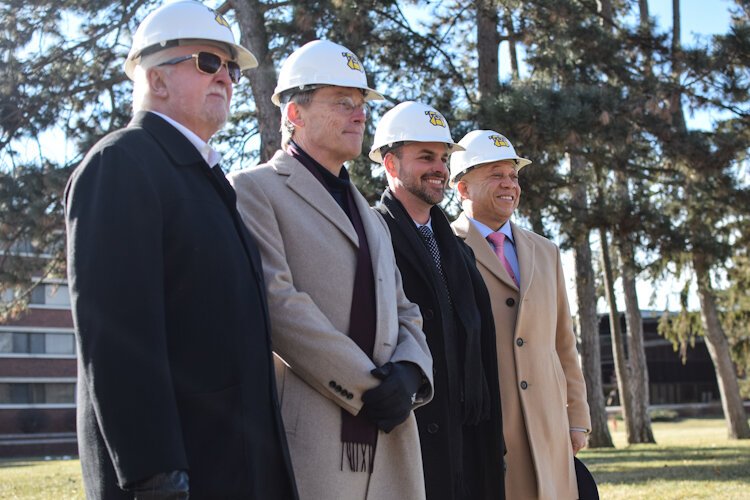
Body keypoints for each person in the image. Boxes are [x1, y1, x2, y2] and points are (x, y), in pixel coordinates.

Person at [64, 2, 297, 498]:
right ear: (157, 79)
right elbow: (117, 335)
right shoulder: (120, 164)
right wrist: (155, 473)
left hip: (233, 465)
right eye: (207, 62)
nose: (227, 78)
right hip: (177, 476)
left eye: (230, 67)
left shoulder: (205, 179)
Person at [228, 40, 433, 500]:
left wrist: (411, 373)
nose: (359, 115)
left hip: (391, 435)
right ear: (294, 114)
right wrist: (370, 388)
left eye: (361, 104)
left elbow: (404, 309)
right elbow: (280, 305)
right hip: (314, 436)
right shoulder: (253, 190)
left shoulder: (369, 214)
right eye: (343, 102)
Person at [371, 102, 505, 500]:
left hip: (468, 438)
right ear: (391, 165)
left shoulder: (459, 251)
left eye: (444, 158)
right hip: (406, 434)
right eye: (425, 157)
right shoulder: (370, 236)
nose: (440, 168)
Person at [449, 130, 591, 500]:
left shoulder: (546, 251)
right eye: (496, 174)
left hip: (549, 427)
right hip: (488, 428)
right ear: (463, 188)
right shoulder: (445, 250)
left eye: (513, 176)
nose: (509, 184)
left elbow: (563, 342)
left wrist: (577, 418)